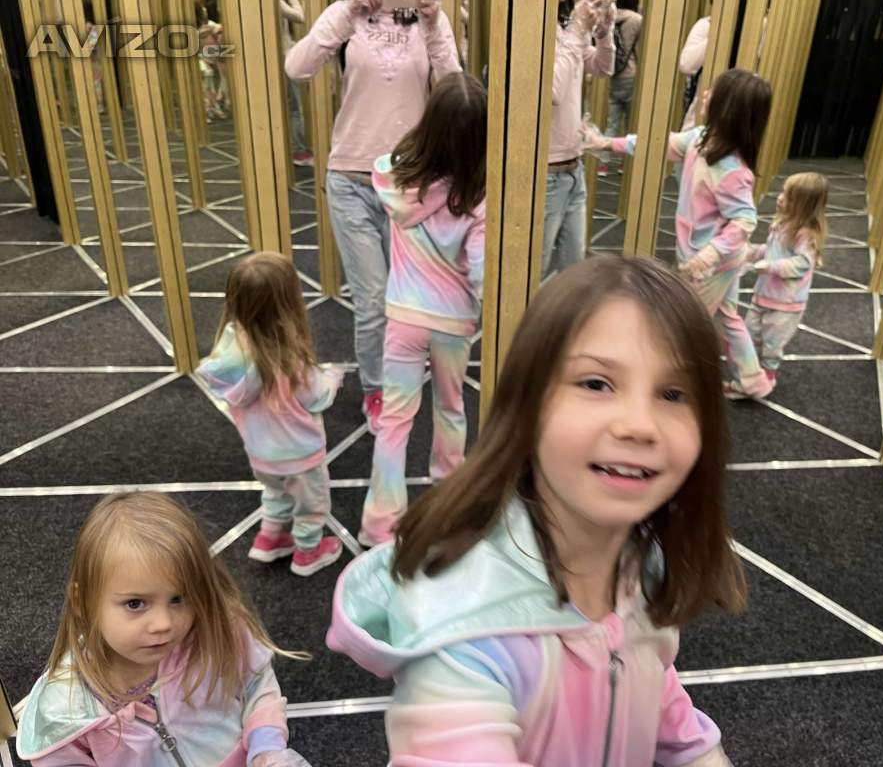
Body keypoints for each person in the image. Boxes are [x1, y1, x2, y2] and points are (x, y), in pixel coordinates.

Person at [328, 256, 743, 766]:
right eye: (596, 383)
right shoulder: (466, 640)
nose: (639, 424)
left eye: (673, 394)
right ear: (528, 403)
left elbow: (655, 692)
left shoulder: (642, 570)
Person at [16, 492, 310, 767]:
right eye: (135, 604)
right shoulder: (65, 710)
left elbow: (256, 685)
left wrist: (267, 748)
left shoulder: (216, 631)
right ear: (83, 602)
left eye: (179, 598)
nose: (164, 624)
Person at [285, 0, 461, 435]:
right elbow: (297, 67)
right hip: (350, 180)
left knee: (409, 298)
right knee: (373, 300)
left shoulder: (428, 19)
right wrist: (347, 10)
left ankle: (402, 372)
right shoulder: (347, 14)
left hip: (409, 185)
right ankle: (377, 388)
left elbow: (453, 88)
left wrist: (434, 21)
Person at [589, 68, 774, 399]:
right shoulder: (701, 138)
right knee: (727, 317)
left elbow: (745, 220)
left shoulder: (732, 170)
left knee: (683, 321)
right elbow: (657, 145)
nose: (704, 94)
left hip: (712, 263)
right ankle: (752, 379)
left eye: (712, 92)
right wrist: (606, 143)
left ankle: (672, 384)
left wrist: (709, 256)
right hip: (707, 256)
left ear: (727, 107)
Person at [358, 72, 487, 547]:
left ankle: (380, 524)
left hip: (404, 317)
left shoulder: (393, 175)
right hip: (453, 322)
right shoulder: (480, 196)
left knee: (395, 421)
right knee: (451, 410)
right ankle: (448, 502)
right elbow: (482, 272)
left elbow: (384, 164)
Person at [197, 252, 346, 577]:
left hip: (261, 455)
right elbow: (318, 397)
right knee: (312, 505)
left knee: (276, 492)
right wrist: (334, 377)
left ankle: (270, 537)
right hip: (300, 456)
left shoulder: (231, 352)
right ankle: (308, 552)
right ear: (288, 304)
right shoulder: (289, 360)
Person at [543, 0, 616, 280]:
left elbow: (603, 67)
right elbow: (553, 91)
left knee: (575, 270)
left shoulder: (566, 28)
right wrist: (576, 29)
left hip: (574, 169)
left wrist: (604, 32)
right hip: (545, 173)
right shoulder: (534, 28)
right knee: (532, 271)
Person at [745, 172, 828, 387]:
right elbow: (772, 250)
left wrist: (770, 267)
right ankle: (751, 371)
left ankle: (767, 376)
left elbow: (801, 264)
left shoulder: (805, 235)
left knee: (772, 343)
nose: (780, 198)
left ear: (803, 206)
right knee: (749, 333)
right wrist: (752, 252)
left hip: (785, 304)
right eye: (782, 193)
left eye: (789, 197)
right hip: (763, 295)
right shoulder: (781, 224)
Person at [598, 0, 642, 177]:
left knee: (612, 123)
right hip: (631, 74)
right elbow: (640, 49)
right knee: (631, 123)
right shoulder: (637, 19)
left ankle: (603, 164)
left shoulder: (612, 17)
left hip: (614, 73)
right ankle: (625, 164)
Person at [280, 0, 314, 166]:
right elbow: (300, 17)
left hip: (271, 61)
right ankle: (300, 151)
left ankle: (286, 150)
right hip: (284, 60)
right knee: (295, 108)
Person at [679, 9, 710, 132]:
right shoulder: (706, 25)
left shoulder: (757, 26)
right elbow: (686, 64)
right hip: (699, 112)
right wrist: (718, 32)